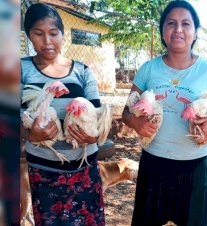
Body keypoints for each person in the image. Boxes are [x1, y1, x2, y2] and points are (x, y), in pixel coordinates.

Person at [122, 1, 207, 225]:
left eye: (186, 24)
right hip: (154, 164)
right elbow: (126, 111)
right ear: (163, 30)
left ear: (195, 32)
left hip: (195, 167)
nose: (178, 29)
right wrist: (135, 122)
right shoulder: (148, 69)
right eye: (171, 23)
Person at [21, 3, 105, 225]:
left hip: (84, 169)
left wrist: (93, 137)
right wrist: (30, 135)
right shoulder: (18, 69)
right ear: (28, 35)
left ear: (63, 34)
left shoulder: (82, 71)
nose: (47, 41)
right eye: (38, 33)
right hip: (44, 171)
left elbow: (98, 117)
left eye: (53, 33)